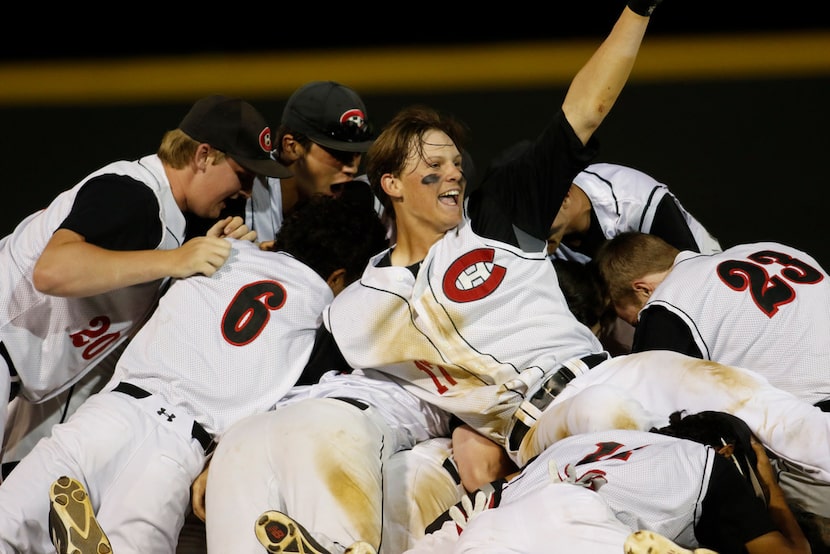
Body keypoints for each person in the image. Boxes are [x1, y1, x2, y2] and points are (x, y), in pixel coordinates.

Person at [200, 1, 673, 552]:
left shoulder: (495, 223)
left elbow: (584, 111)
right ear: (392, 185)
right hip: (506, 443)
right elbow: (297, 386)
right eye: (434, 165)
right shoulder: (353, 307)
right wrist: (219, 449)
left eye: (456, 166)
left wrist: (638, 9)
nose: (453, 174)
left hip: (579, 402)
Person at [0, 194, 389, 554]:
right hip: (176, 452)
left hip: (112, 413)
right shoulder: (326, 320)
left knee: (7, 524)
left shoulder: (220, 251)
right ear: (339, 277)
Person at [0, 94, 287, 471]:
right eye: (243, 175)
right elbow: (52, 270)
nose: (248, 192)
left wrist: (196, 257)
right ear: (203, 156)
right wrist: (175, 260)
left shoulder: (168, 213)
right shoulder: (133, 193)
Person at [410, 410, 810, 554]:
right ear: (726, 449)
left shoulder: (577, 444)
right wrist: (770, 485)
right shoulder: (710, 463)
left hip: (490, 528)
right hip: (590, 532)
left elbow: (460, 517)